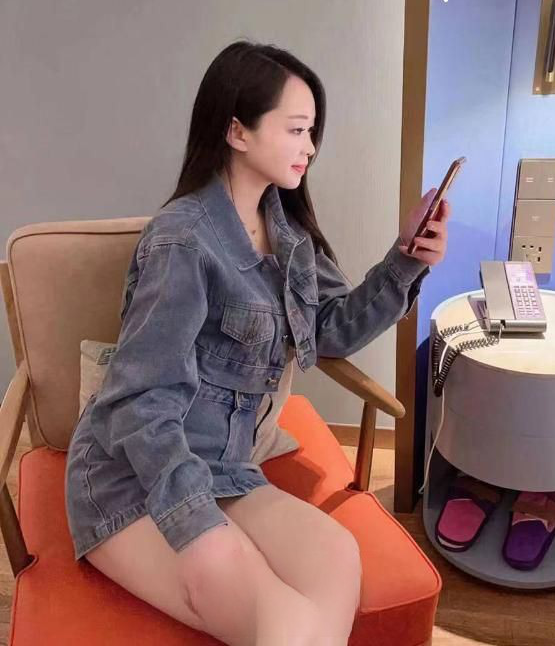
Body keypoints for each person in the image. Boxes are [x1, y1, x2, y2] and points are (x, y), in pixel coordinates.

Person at [64, 39, 450, 646]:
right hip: (134, 479)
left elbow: (331, 332)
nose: (310, 147)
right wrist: (196, 525)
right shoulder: (182, 241)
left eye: (311, 131)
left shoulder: (288, 232)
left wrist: (406, 259)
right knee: (284, 623)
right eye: (296, 130)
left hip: (226, 468)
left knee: (337, 554)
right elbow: (142, 400)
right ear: (237, 131)